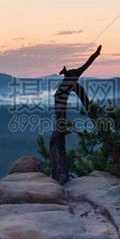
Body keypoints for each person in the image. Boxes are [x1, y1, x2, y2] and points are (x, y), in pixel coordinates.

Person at [49, 45, 101, 184]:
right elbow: (87, 64)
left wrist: (95, 54)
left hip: (60, 109)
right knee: (58, 135)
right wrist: (95, 54)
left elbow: (86, 64)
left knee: (57, 135)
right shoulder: (73, 82)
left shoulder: (67, 86)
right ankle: (60, 175)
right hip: (60, 110)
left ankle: (60, 175)